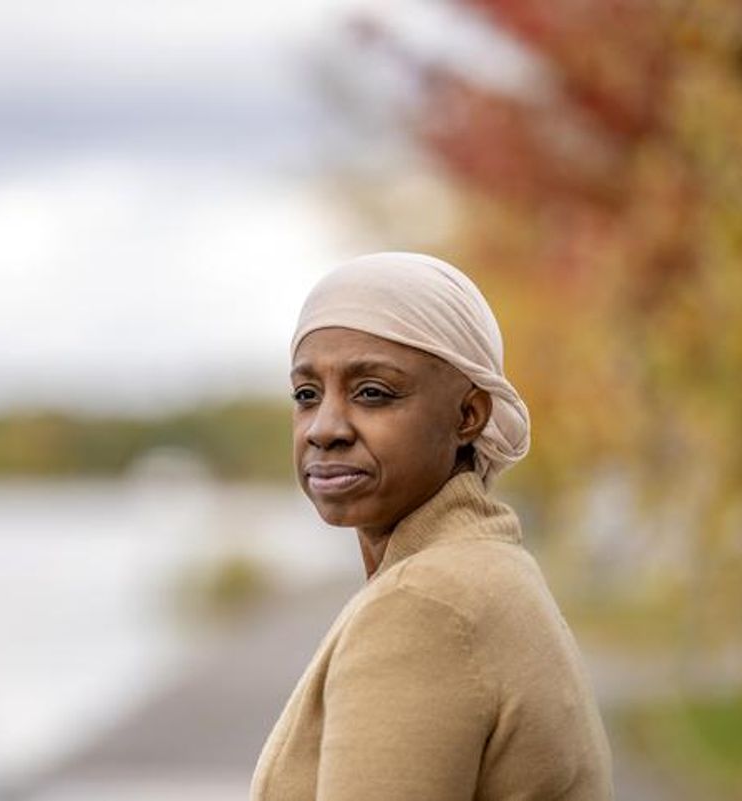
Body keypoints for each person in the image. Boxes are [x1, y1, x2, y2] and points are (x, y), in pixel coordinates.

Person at [250, 252, 614, 800]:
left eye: (372, 392)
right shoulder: (483, 566)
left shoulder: (425, 605)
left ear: (469, 415)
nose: (324, 429)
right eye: (306, 395)